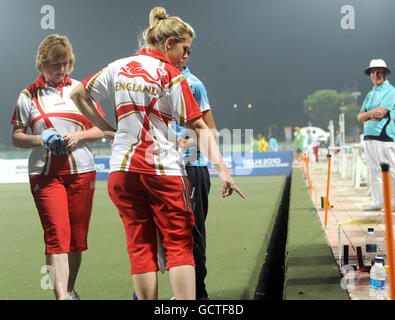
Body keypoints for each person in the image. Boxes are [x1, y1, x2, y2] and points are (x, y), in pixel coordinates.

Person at [70, 7, 245, 300]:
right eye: (184, 48)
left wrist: (107, 129)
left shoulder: (117, 66)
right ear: (169, 43)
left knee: (140, 248)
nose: (187, 55)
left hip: (122, 173)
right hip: (162, 172)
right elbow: (200, 127)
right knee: (179, 246)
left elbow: (78, 94)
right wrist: (224, 172)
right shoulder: (172, 76)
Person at [10, 34, 104, 300]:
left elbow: (101, 129)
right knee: (56, 237)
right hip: (46, 175)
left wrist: (80, 136)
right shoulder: (27, 95)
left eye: (65, 64)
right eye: (55, 65)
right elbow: (16, 137)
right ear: (42, 65)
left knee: (76, 241)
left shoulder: (80, 90)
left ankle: (70, 289)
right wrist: (42, 138)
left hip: (82, 173)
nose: (61, 70)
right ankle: (61, 296)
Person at [171, 55, 216, 300]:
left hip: (191, 167)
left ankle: (199, 295)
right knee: (169, 235)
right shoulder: (157, 81)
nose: (186, 54)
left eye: (188, 49)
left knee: (193, 233)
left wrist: (185, 142)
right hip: (163, 168)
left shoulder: (194, 85)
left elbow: (211, 131)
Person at [358, 59, 395, 211]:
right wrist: (369, 114)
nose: (376, 75)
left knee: (389, 169)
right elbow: (360, 117)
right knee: (374, 170)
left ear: (385, 73)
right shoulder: (370, 94)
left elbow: (380, 113)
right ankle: (378, 201)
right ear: (370, 75)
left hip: (383, 136)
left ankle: (394, 201)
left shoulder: (391, 91)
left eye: (379, 72)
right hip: (368, 136)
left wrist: (366, 115)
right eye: (373, 72)